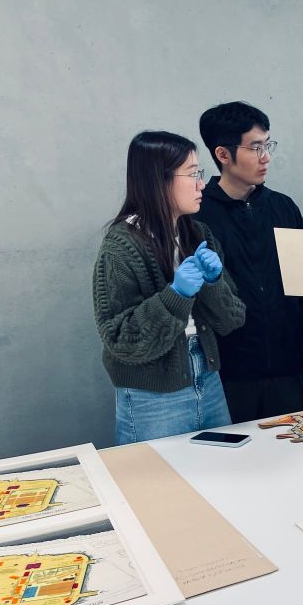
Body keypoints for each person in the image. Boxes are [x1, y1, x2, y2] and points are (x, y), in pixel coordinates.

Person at [93, 130, 246, 444]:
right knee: (158, 475)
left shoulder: (199, 234)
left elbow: (233, 320)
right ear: (158, 180)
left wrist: (213, 283)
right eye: (193, 174)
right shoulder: (120, 247)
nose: (202, 184)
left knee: (220, 468)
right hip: (152, 394)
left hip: (208, 376)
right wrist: (176, 295)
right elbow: (121, 341)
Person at [196, 101, 303, 423]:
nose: (266, 158)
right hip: (228, 373)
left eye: (267, 145)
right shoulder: (198, 215)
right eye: (255, 148)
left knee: (293, 446)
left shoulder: (283, 207)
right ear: (223, 154)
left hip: (288, 365)